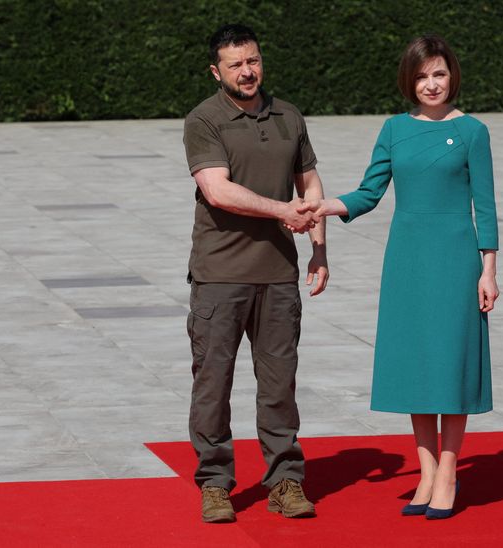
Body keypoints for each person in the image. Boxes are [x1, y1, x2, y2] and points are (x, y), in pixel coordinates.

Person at [298, 35, 498, 520]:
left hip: (455, 258)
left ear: (452, 75)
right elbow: (370, 192)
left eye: (439, 74)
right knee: (415, 363)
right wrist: (325, 205)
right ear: (409, 81)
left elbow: (486, 206)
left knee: (451, 362)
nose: (431, 84)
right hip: (406, 259)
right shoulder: (393, 129)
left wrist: (489, 270)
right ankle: (426, 473)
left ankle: (449, 473)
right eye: (422, 76)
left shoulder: (473, 131)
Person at [182, 23, 328, 523]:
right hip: (220, 276)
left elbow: (309, 182)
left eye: (253, 61)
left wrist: (318, 248)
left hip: (278, 277)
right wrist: (281, 212)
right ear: (216, 71)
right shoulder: (204, 119)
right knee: (213, 384)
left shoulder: (289, 115)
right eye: (236, 65)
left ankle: (286, 480)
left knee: (279, 384)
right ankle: (216, 483)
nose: (247, 72)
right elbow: (218, 191)